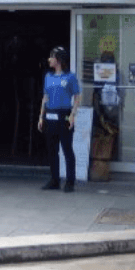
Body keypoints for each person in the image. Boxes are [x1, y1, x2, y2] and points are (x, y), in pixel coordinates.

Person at [38, 46, 82, 193]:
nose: (49, 59)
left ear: (59, 60)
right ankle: (54, 179)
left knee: (67, 149)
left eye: (52, 57)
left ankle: (70, 181)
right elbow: (45, 97)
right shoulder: (48, 77)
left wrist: (73, 115)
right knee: (52, 149)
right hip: (50, 114)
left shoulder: (70, 77)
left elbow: (77, 97)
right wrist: (41, 116)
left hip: (64, 114)